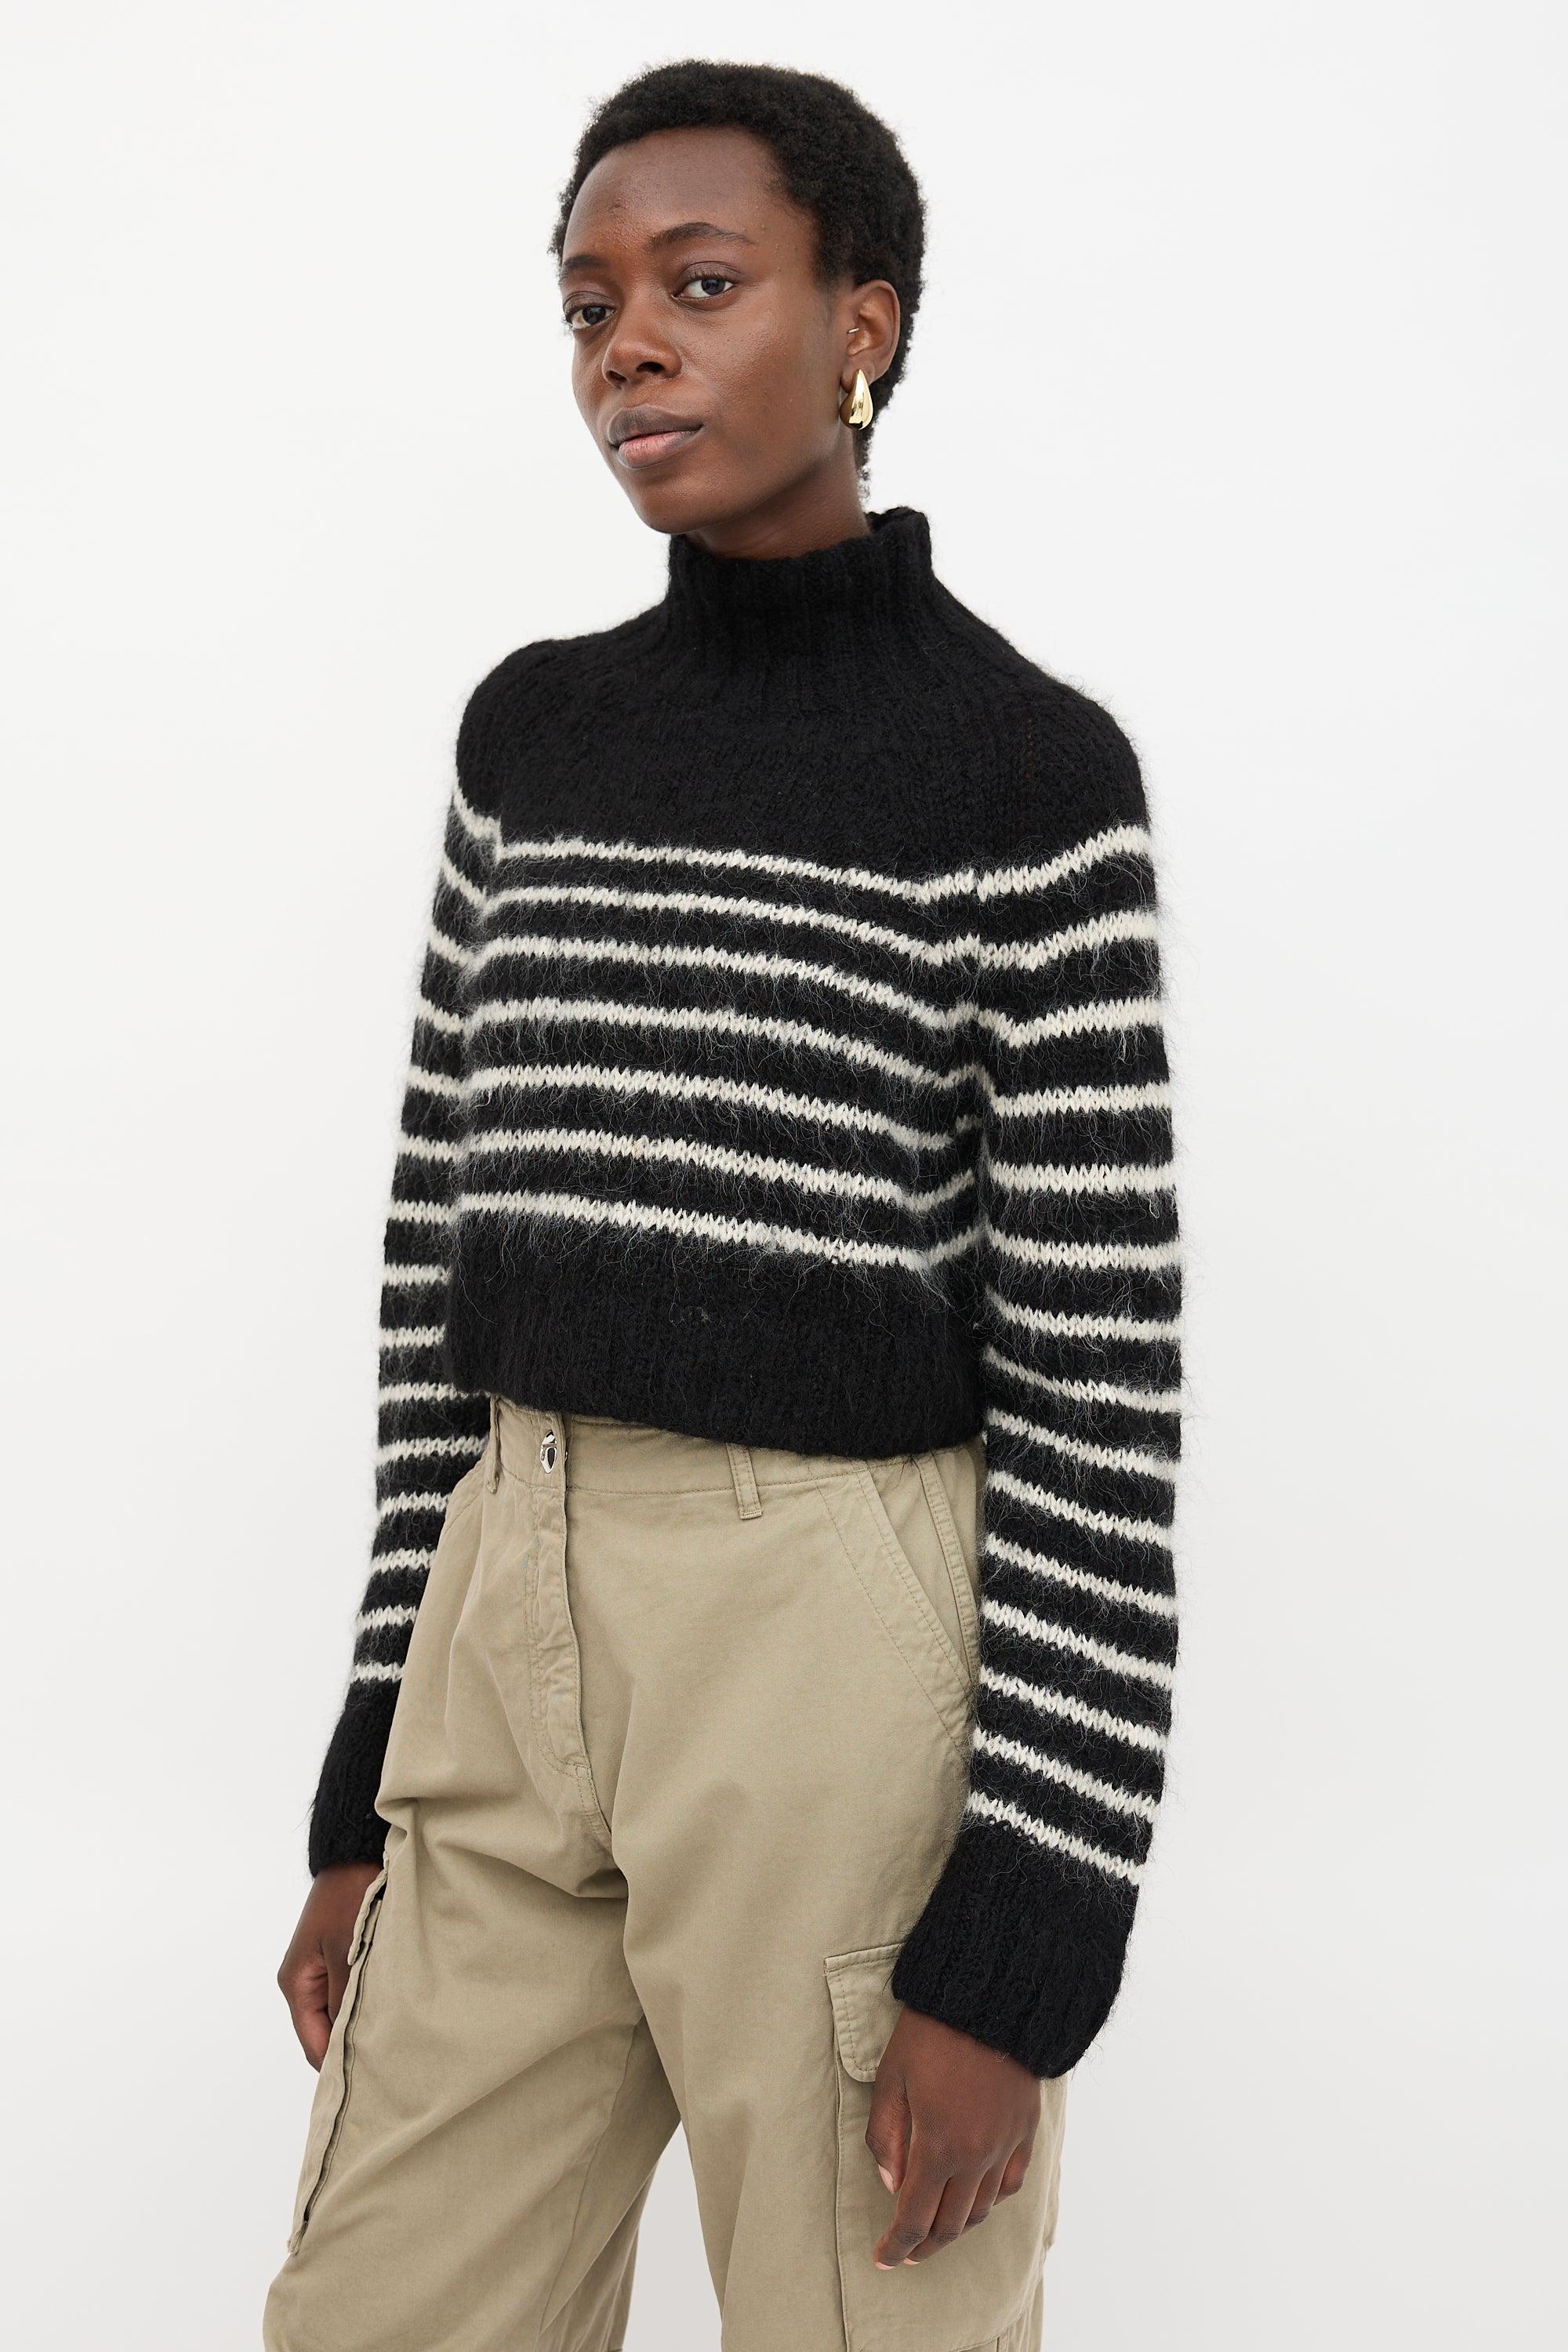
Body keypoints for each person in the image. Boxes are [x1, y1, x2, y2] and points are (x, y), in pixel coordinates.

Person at [264, 58, 1181, 2352]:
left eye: (698, 285)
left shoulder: (1023, 777)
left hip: (828, 1651)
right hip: (505, 1609)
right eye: (589, 305)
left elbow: (1099, 1384)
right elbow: (436, 1279)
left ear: (863, 322)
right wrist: (369, 1771)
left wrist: (1027, 1934)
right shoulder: (533, 737)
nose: (626, 348)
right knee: (379, 2308)